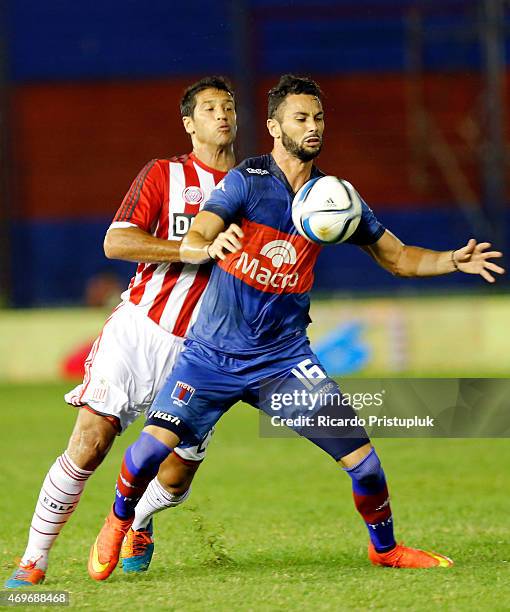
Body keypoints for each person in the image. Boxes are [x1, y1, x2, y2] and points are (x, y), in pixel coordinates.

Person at [88, 74, 505, 580]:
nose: (312, 127)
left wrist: (450, 260)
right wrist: (209, 241)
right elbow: (202, 227)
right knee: (151, 450)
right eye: (301, 118)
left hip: (282, 361)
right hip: (212, 355)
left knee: (365, 464)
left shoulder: (336, 197)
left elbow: (396, 257)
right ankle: (117, 520)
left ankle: (386, 549)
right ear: (272, 126)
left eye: (319, 118)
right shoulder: (246, 180)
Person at [5, 76, 241, 588]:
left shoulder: (256, 187)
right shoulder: (164, 174)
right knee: (90, 443)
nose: (222, 115)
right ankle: (33, 561)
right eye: (208, 108)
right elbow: (116, 241)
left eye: (228, 107)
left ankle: (135, 521)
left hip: (203, 353)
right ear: (189, 123)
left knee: (176, 478)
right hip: (140, 331)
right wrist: (187, 249)